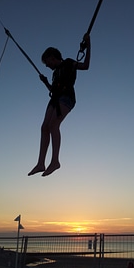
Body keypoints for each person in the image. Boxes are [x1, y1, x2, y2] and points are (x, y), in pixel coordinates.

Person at [28, 33, 91, 177]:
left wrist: (89, 44)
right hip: (55, 99)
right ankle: (40, 163)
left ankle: (55, 161)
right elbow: (53, 90)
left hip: (67, 97)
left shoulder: (68, 63)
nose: (47, 65)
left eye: (47, 62)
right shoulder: (55, 73)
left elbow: (86, 66)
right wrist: (45, 83)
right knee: (44, 127)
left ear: (52, 57)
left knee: (53, 125)